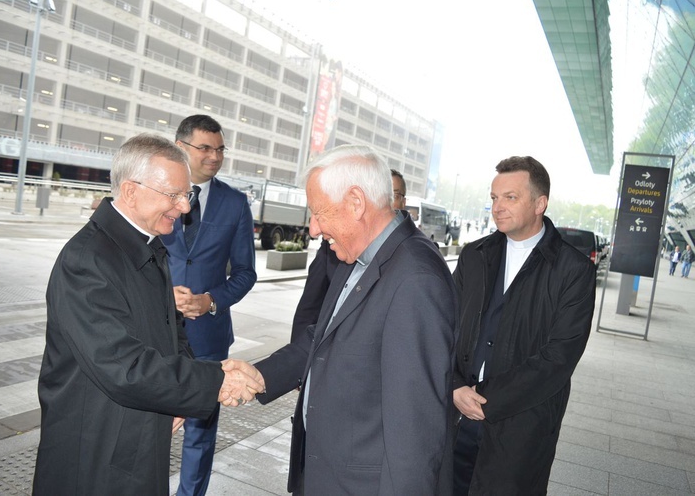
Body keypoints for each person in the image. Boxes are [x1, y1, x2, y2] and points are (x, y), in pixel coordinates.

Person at [32, 134, 264, 496]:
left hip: (135, 433)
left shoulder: (146, 244)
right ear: (130, 191)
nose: (184, 207)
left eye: (185, 195)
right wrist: (213, 380)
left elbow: (174, 330)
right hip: (96, 450)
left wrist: (179, 395)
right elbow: (121, 366)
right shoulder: (88, 260)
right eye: (173, 195)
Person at [249, 145, 458, 494]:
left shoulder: (416, 279)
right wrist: (261, 375)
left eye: (319, 213)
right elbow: (326, 336)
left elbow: (414, 433)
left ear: (356, 203)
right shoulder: (356, 257)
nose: (313, 229)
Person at [452, 156, 596, 495]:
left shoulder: (572, 271)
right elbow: (445, 326)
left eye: (510, 197)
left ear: (539, 203)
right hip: (455, 417)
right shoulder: (474, 256)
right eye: (494, 198)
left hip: (520, 428)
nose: (498, 207)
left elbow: (559, 358)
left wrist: (483, 399)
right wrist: (455, 386)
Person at [161, 114, 257, 496]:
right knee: (150, 424)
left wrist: (211, 300)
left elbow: (246, 272)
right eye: (205, 148)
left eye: (220, 149)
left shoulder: (234, 204)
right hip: (156, 332)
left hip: (208, 339)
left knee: (199, 432)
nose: (215, 156)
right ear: (181, 147)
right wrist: (163, 295)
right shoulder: (159, 192)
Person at [290, 168, 407, 342]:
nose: (387, 201)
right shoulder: (334, 247)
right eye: (382, 194)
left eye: (394, 195)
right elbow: (309, 307)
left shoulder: (412, 265)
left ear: (403, 202)